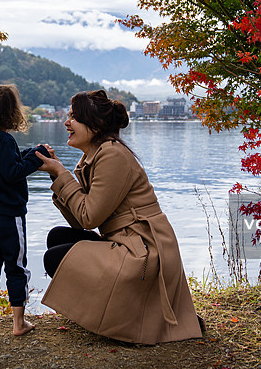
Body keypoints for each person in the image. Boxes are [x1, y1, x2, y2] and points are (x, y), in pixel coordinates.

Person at [35, 89, 204, 344]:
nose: (67, 122)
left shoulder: (113, 155)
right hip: (127, 242)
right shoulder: (93, 157)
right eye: (69, 116)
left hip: (144, 252)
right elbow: (80, 221)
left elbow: (89, 217)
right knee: (58, 237)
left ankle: (129, 317)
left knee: (55, 257)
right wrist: (56, 174)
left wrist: (62, 174)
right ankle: (115, 311)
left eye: (74, 117)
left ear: (95, 124)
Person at [0, 84, 49, 337]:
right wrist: (38, 159)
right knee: (16, 267)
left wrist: (33, 153)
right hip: (8, 216)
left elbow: (7, 164)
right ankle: (18, 323)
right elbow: (13, 172)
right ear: (11, 112)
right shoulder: (5, 140)